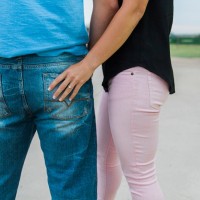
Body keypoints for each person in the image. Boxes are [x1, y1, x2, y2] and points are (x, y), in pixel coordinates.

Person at [55, 0, 175, 199]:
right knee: (105, 162)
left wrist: (87, 63)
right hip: (127, 75)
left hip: (136, 73)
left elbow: (127, 7)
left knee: (141, 177)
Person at [0, 1, 97, 200]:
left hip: (4, 57)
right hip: (62, 64)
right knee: (72, 185)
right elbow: (109, 4)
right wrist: (90, 63)